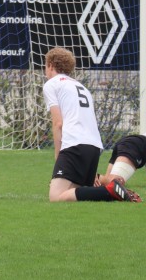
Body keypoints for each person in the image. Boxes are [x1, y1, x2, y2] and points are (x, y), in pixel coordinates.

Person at [42, 47, 140, 202]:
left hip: (74, 144)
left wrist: (58, 157)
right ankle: (114, 192)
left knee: (56, 196)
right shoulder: (82, 87)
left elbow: (58, 123)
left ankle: (109, 191)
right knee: (73, 192)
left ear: (51, 65)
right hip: (93, 146)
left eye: (45, 65)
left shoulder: (52, 84)